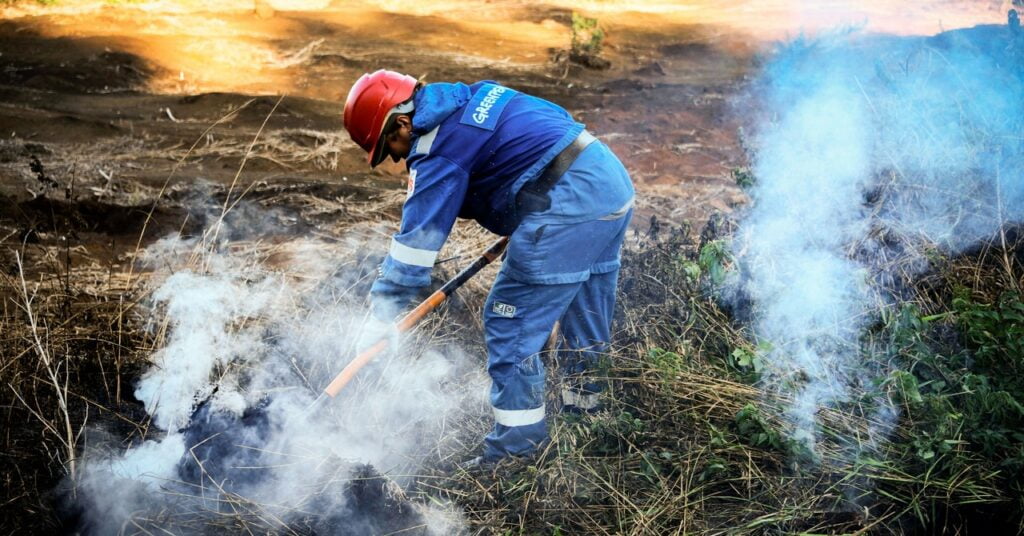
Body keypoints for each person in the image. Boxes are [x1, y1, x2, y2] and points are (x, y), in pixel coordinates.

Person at [342, 70, 634, 464]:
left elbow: (416, 247)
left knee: (508, 320)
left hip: (569, 203)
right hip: (607, 182)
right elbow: (551, 127)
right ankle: (590, 427)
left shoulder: (437, 147)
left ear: (403, 122)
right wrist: (530, 194)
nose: (396, 158)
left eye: (389, 146)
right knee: (585, 312)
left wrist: (381, 316)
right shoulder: (475, 96)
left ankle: (516, 455)